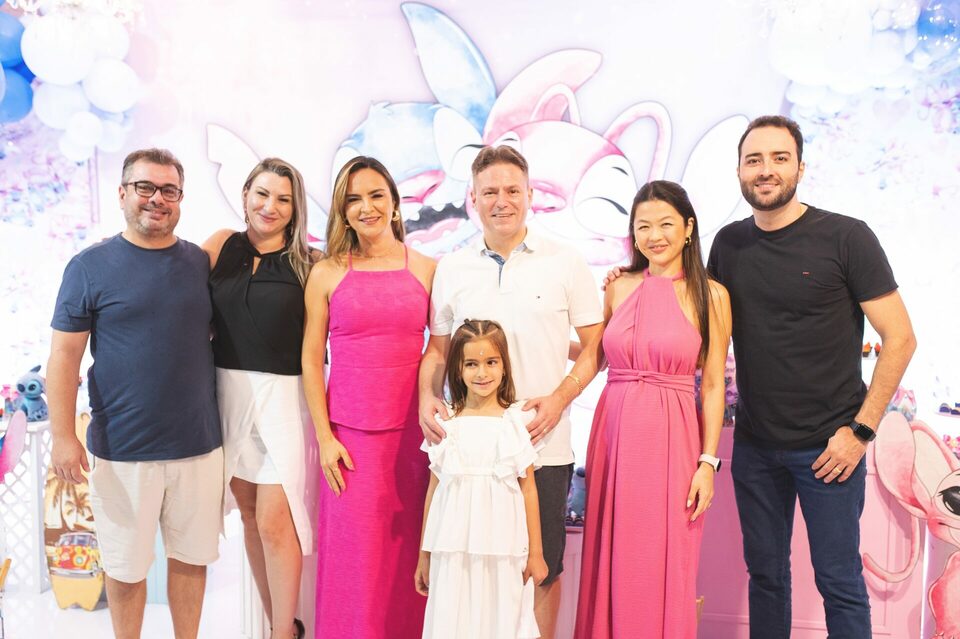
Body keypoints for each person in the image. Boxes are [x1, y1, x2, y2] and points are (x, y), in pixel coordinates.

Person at [708, 115, 916, 638]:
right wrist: (631, 277)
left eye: (779, 158)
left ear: (800, 167)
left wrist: (860, 432)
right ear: (739, 170)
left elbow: (900, 338)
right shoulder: (727, 245)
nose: (766, 170)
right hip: (755, 448)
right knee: (766, 580)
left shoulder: (846, 237)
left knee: (839, 583)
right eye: (754, 160)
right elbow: (699, 324)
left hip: (830, 448)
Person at [419, 145, 604, 639]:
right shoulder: (452, 268)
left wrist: (561, 398)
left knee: (541, 570)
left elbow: (596, 348)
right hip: (471, 453)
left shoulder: (565, 262)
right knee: (470, 568)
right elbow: (437, 351)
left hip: (544, 446)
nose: (501, 201)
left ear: (530, 195)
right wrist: (426, 398)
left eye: (512, 190)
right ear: (472, 199)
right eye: (490, 192)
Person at [47, 148, 223, 639]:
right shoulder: (89, 267)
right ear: (123, 193)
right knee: (125, 569)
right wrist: (63, 436)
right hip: (123, 449)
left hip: (198, 446)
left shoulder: (199, 263)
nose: (156, 199)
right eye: (145, 187)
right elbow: (63, 357)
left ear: (181, 198)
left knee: (191, 559)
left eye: (169, 190)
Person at [574, 180, 732, 638]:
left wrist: (707, 463)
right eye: (643, 226)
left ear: (688, 228)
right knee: (611, 548)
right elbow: (596, 355)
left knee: (665, 554)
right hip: (613, 430)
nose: (654, 235)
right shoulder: (618, 286)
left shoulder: (712, 296)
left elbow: (713, 386)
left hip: (673, 436)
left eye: (665, 224)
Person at [302, 156, 436, 638]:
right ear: (342, 211)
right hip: (349, 447)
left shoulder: (427, 269)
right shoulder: (327, 273)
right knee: (352, 567)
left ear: (395, 204)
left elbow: (442, 349)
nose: (366, 207)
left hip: (412, 445)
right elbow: (310, 360)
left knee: (406, 566)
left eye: (376, 195)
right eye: (354, 199)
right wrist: (325, 439)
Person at [202, 158, 318, 639]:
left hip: (284, 401)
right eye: (263, 194)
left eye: (283, 199)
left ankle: (282, 632)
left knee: (274, 520)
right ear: (245, 194)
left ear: (295, 209)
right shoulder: (220, 246)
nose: (270, 206)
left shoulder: (310, 263)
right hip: (227, 396)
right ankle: (282, 626)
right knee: (249, 516)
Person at [415, 319, 548, 639]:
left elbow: (528, 490)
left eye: (491, 362)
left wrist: (536, 553)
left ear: (504, 366)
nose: (482, 372)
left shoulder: (517, 421)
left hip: (504, 549)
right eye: (471, 364)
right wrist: (424, 554)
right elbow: (434, 492)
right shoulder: (446, 422)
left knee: (501, 622)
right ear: (458, 369)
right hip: (452, 551)